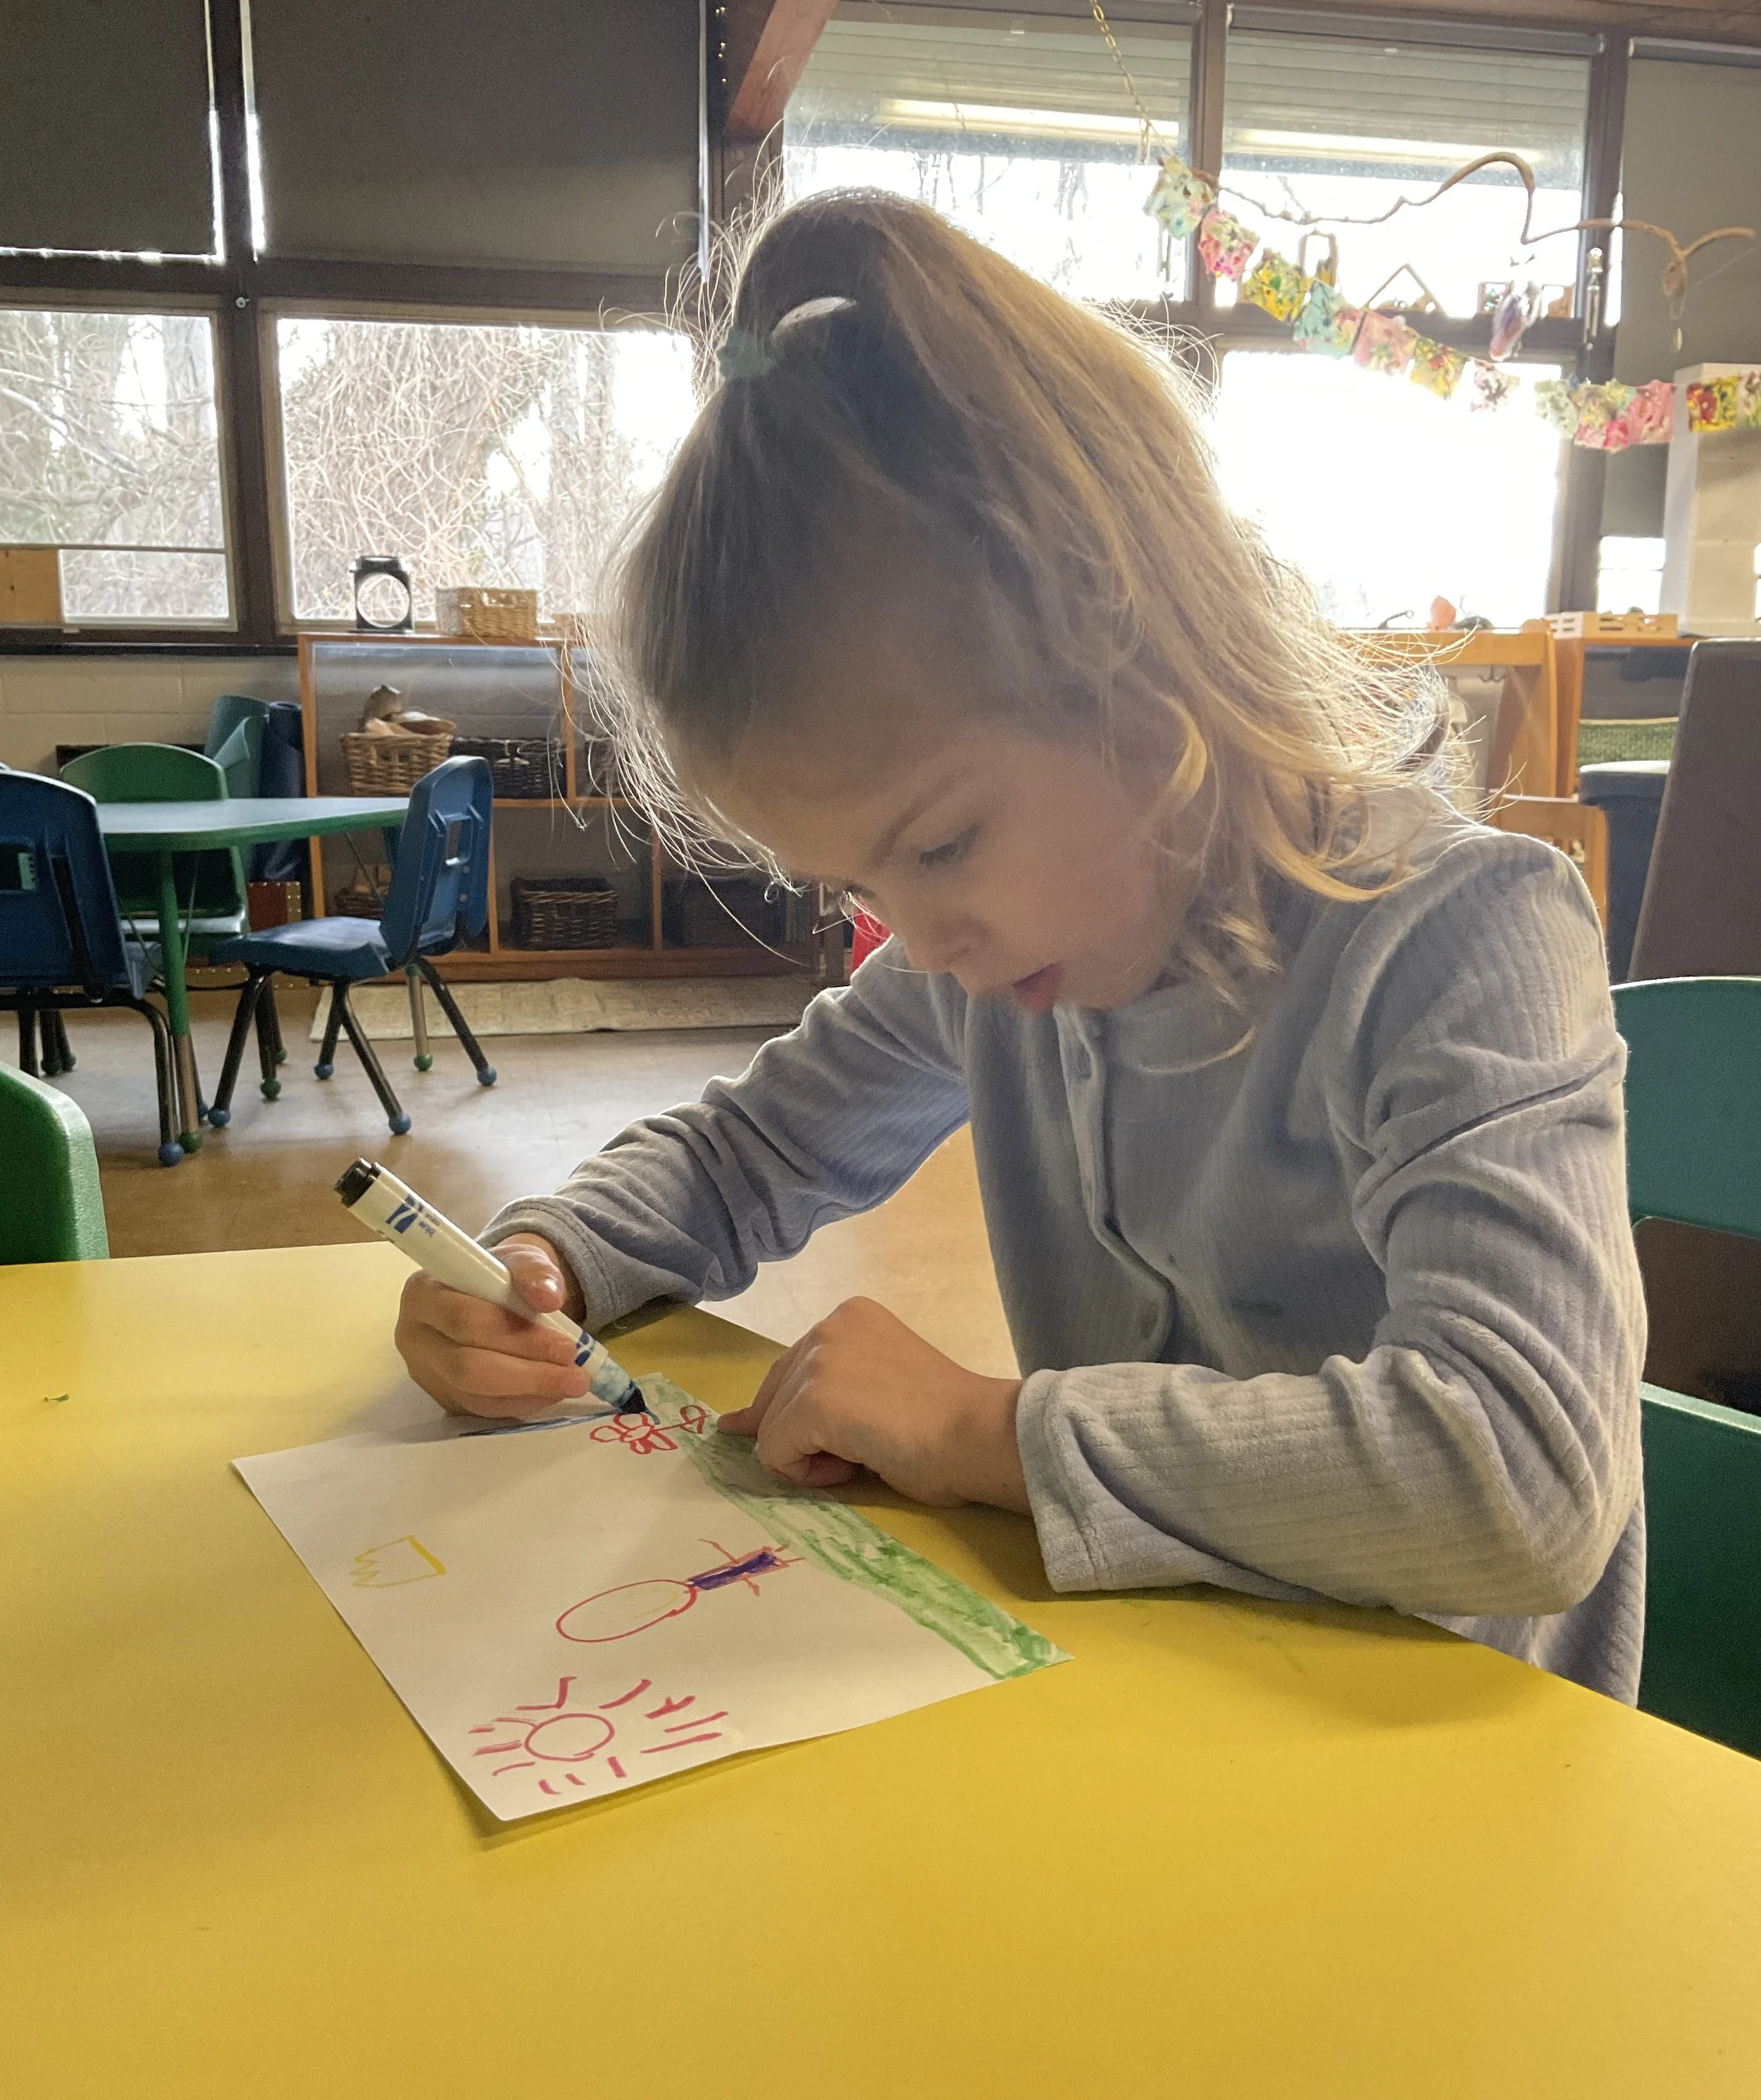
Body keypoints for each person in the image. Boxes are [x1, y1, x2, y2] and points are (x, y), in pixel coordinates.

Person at [396, 191, 1645, 1703]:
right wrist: (545, 1259)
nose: (919, 939)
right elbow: (746, 1158)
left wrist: (987, 1431)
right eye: (858, 881)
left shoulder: (1460, 941)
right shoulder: (997, 954)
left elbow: (1522, 1473)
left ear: (1139, 665)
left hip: (1447, 1776)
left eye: (934, 846)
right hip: (1139, 1707)